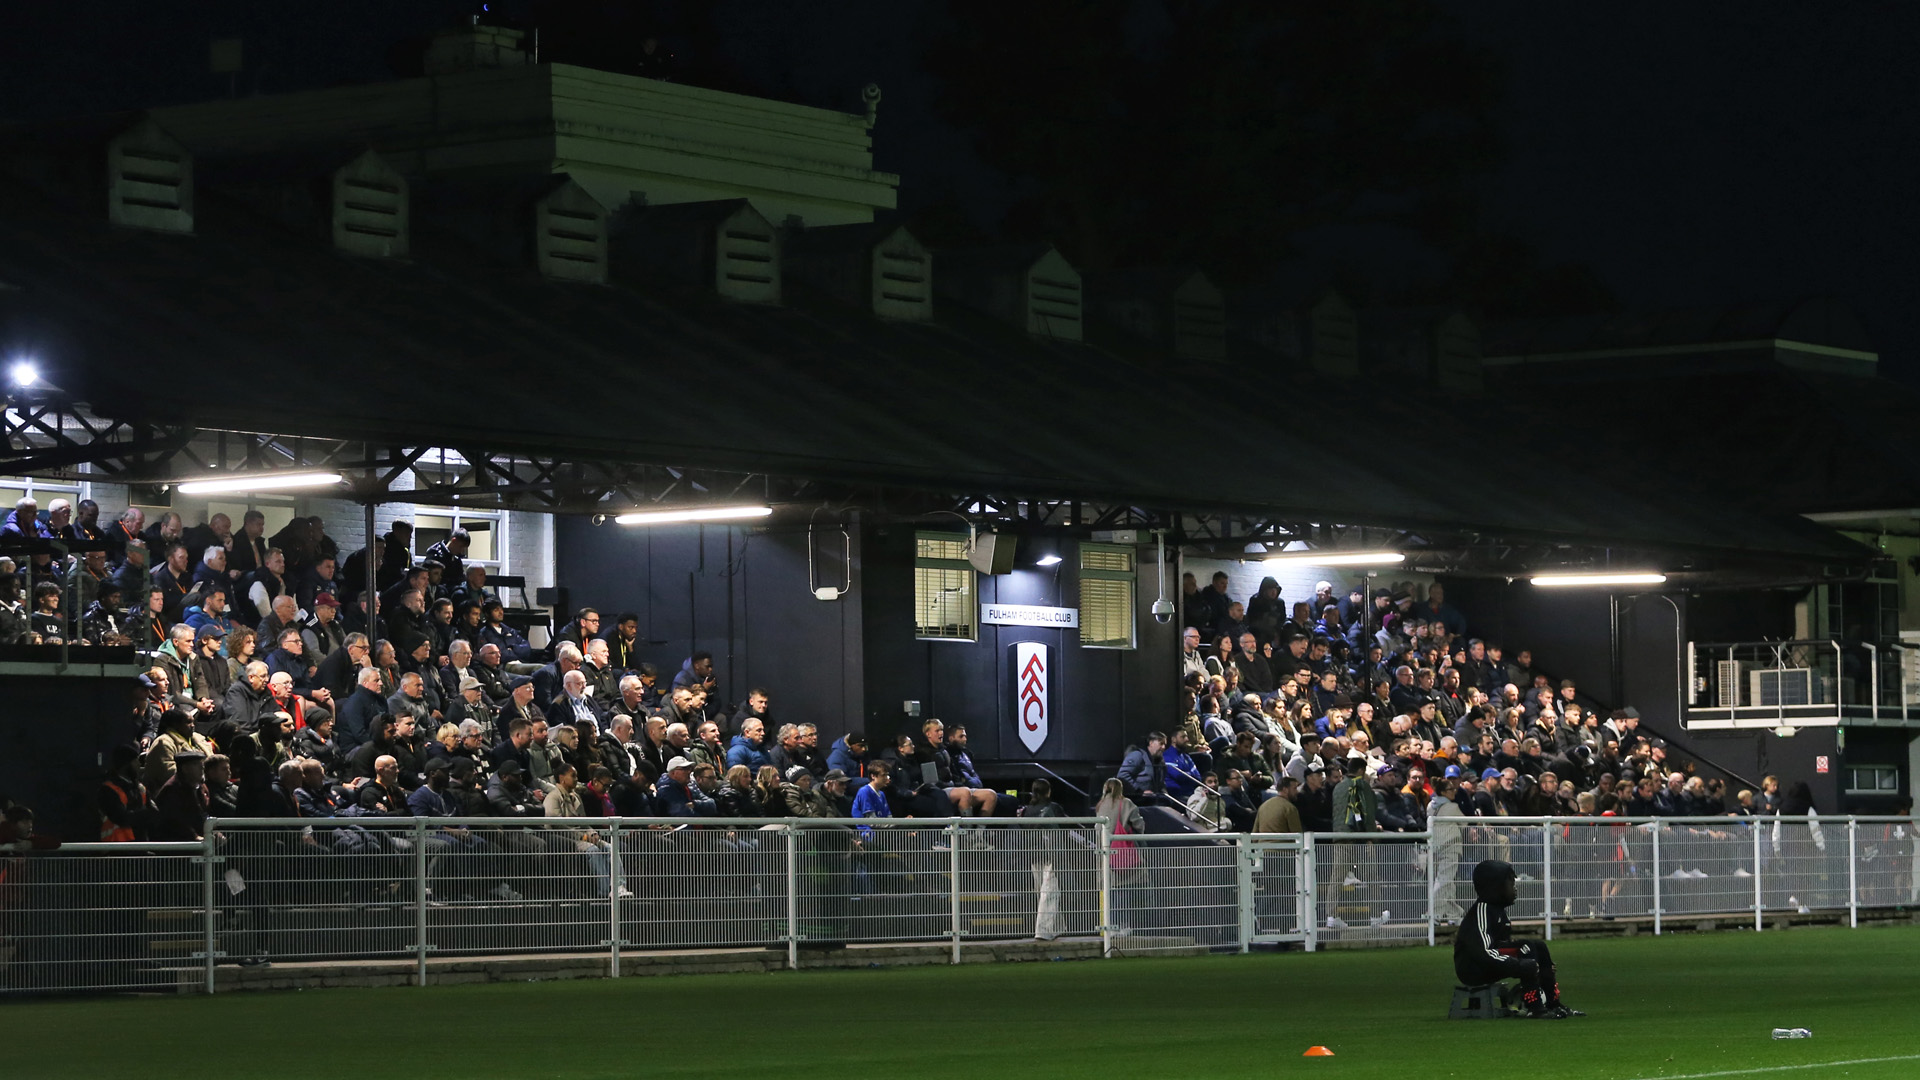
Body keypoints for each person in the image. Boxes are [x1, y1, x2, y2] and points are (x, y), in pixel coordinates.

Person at [1454, 859, 1584, 1018]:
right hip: (1472, 969)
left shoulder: (1497, 911)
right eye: (1511, 884)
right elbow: (1484, 952)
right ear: (1495, 887)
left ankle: (1553, 1003)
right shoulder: (1483, 911)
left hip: (1487, 962)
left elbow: (1502, 945)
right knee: (1527, 951)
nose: (1515, 889)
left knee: (1538, 946)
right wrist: (1520, 965)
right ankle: (1536, 1007)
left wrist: (1544, 968)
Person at [1018, 778, 1067, 940]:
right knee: (1050, 892)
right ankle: (1043, 931)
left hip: (1033, 855)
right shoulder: (1053, 807)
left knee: (1044, 892)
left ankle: (1058, 927)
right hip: (1050, 855)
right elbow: (1065, 826)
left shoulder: (1026, 810)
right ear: (1048, 791)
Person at [1096, 777, 1145, 936]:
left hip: (1105, 853)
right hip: (1123, 854)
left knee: (1110, 891)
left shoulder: (1100, 805)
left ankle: (1110, 927)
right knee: (1124, 891)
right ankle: (1124, 926)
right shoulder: (1126, 803)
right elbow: (1139, 825)